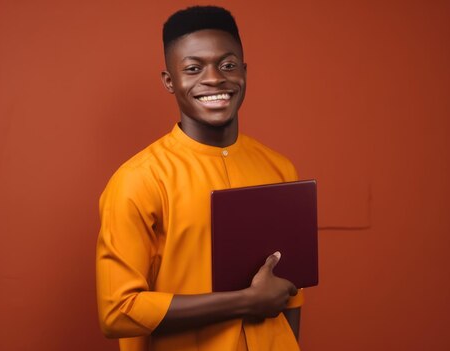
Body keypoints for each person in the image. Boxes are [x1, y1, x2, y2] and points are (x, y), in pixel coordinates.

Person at [96, 6, 303, 351]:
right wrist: (244, 301)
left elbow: (291, 294)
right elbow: (116, 311)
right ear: (169, 81)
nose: (214, 79)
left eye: (227, 65)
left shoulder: (281, 169)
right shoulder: (138, 180)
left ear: (244, 72)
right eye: (193, 68)